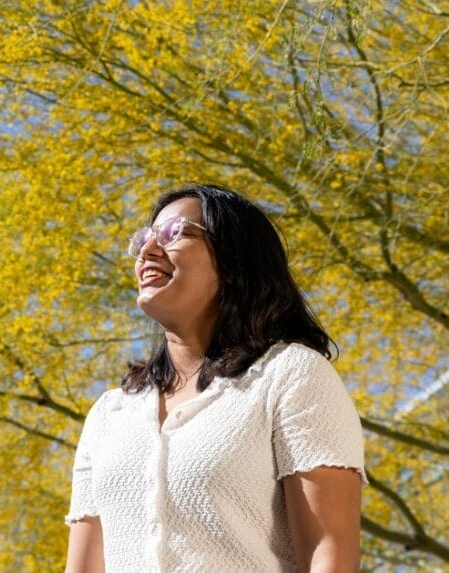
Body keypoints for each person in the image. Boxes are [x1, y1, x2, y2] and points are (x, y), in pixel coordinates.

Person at [64, 184, 366, 572]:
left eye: (177, 233)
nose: (148, 250)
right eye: (144, 239)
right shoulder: (109, 414)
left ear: (235, 262)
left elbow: (329, 553)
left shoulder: (289, 375)